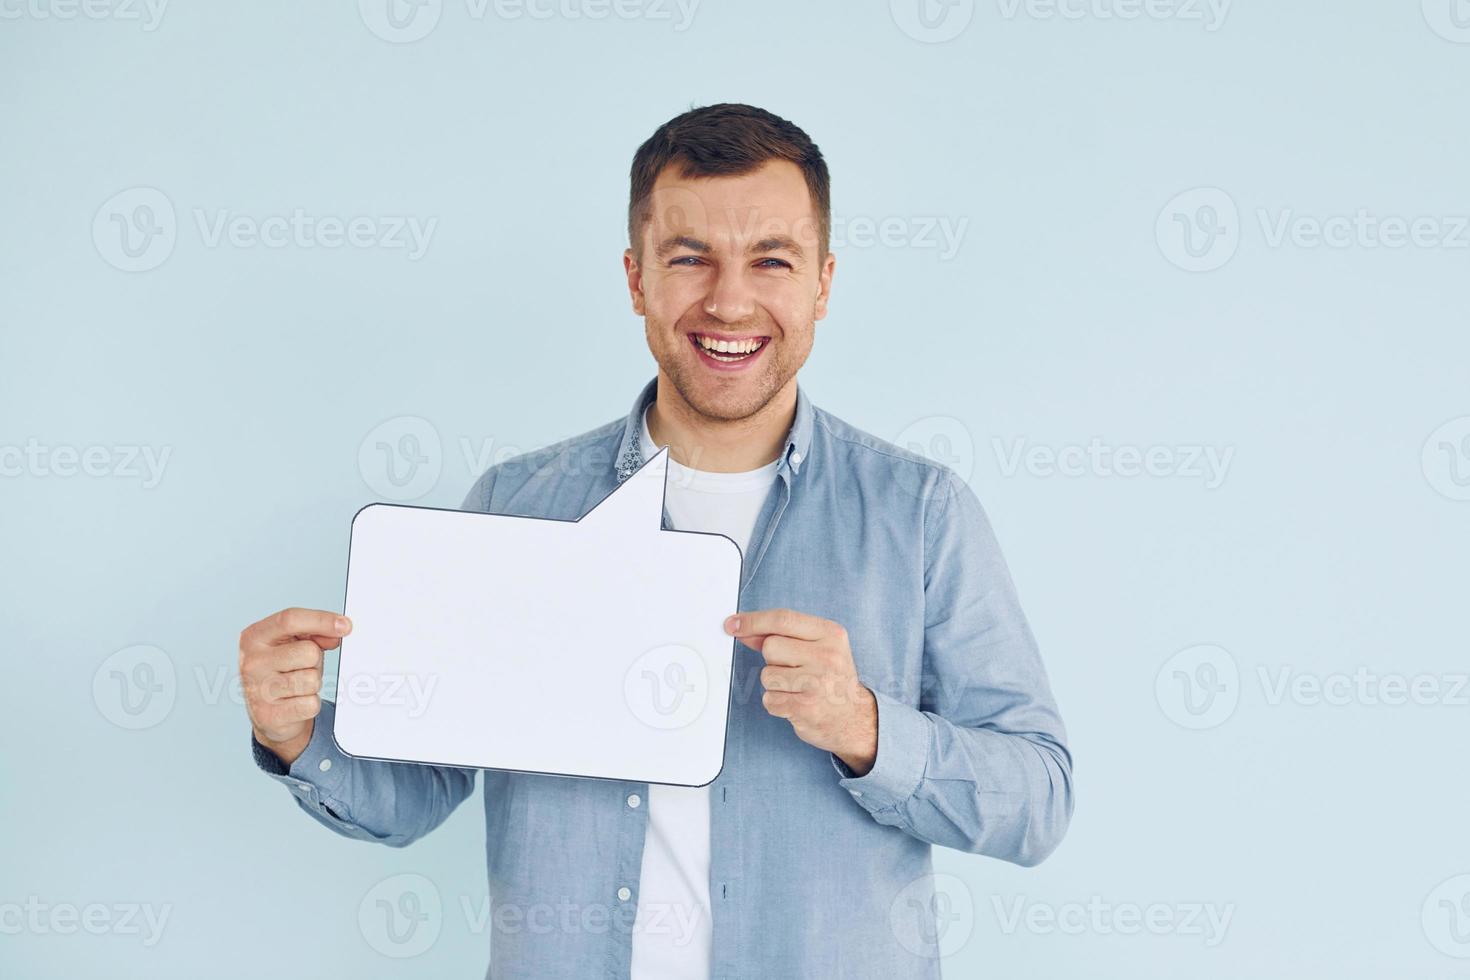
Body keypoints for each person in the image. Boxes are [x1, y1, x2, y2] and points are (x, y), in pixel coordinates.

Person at [238, 102, 1073, 979]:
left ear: (823, 284)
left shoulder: (922, 514)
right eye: (690, 259)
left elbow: (1039, 801)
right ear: (637, 279)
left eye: (772, 260)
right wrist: (299, 733)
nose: (730, 300)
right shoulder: (517, 505)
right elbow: (417, 790)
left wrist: (867, 729)